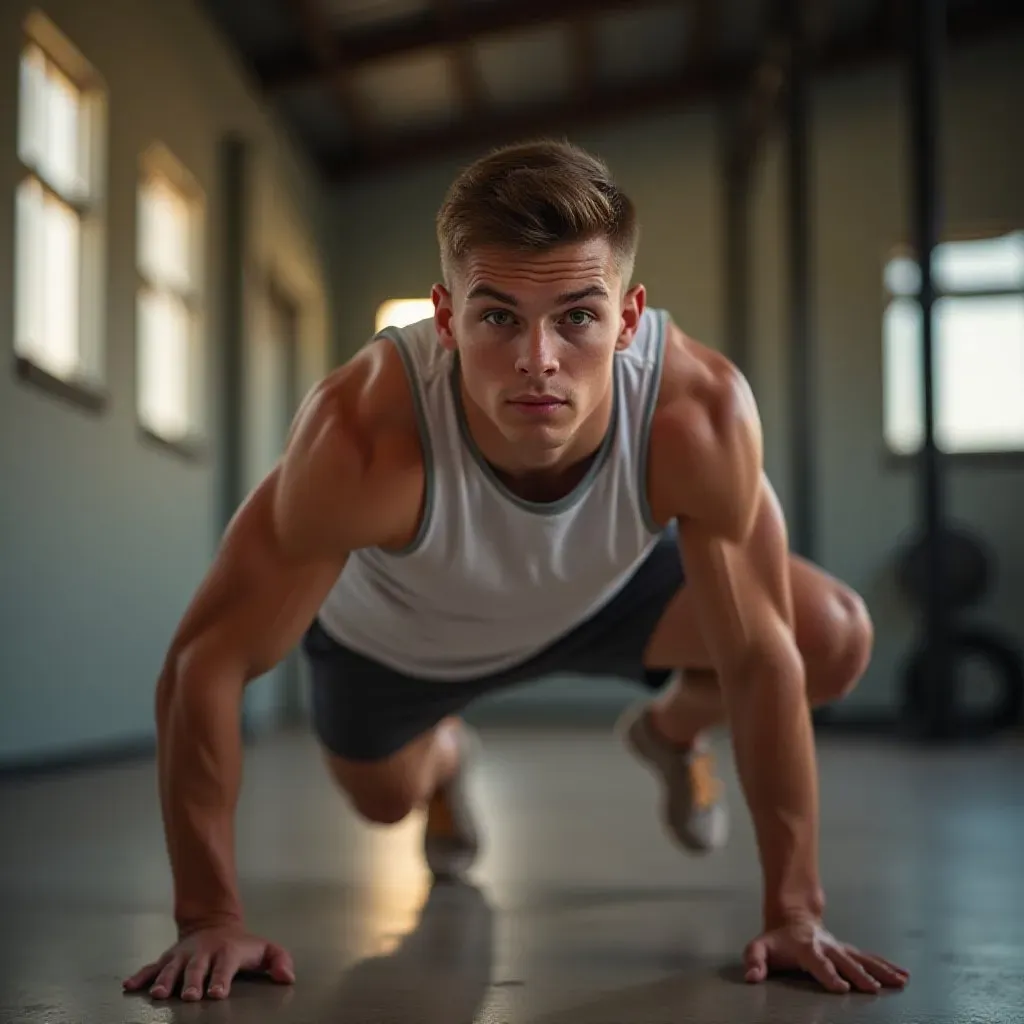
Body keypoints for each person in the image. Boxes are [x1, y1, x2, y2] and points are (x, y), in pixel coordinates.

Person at [123, 138, 909, 1004]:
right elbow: (208, 660)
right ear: (448, 316)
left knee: (829, 636)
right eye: (499, 316)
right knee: (384, 802)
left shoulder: (697, 415)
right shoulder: (361, 440)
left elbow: (762, 659)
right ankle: (447, 759)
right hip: (401, 645)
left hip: (605, 596)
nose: (540, 357)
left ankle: (673, 731)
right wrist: (207, 916)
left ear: (630, 318)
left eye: (577, 315)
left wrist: (796, 911)